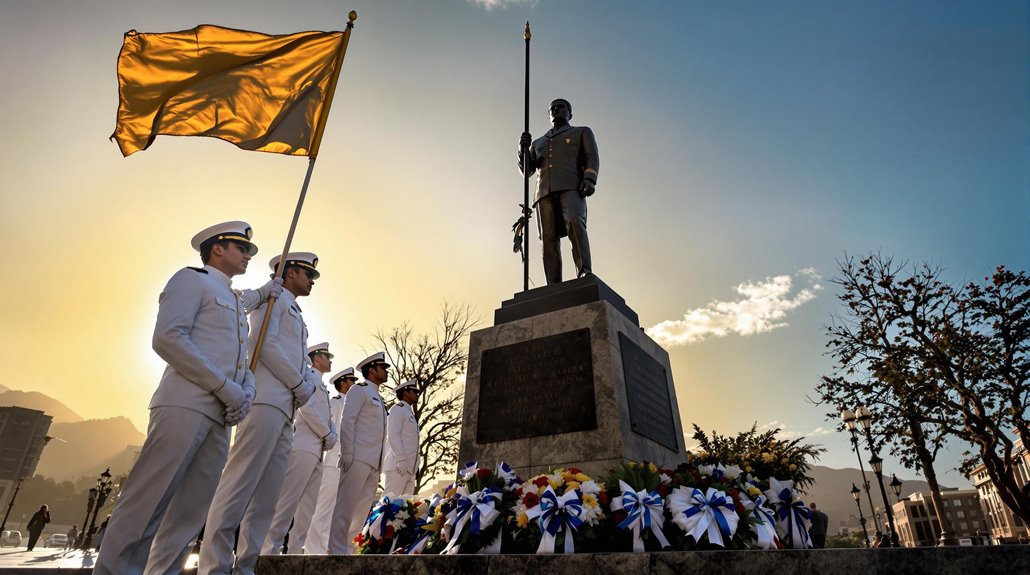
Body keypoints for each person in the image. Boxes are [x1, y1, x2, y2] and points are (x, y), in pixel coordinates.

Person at [95, 221, 279, 575]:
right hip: (185, 404)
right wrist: (225, 387)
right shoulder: (191, 280)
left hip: (221, 415)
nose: (248, 255)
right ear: (218, 249)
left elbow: (241, 360)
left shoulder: (234, 300)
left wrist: (247, 390)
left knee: (189, 516)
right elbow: (168, 338)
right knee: (146, 503)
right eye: (242, 248)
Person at [200, 252, 320, 575]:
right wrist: (298, 383)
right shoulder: (274, 299)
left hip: (285, 412)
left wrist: (307, 380)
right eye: (308, 274)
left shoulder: (295, 310)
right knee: (238, 486)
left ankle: (246, 568)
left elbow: (297, 359)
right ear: (290, 271)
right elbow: (263, 346)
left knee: (265, 500)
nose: (312, 281)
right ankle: (214, 567)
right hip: (266, 402)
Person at [262, 342, 339, 555]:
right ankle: (269, 551)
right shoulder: (309, 379)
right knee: (287, 502)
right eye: (327, 356)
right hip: (304, 447)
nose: (330, 360)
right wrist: (327, 433)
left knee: (308, 508)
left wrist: (331, 434)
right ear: (316, 358)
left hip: (317, 451)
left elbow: (327, 415)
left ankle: (296, 554)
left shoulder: (321, 385)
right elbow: (308, 409)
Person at [518, 98, 600, 284]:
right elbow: (527, 171)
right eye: (552, 108)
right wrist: (522, 148)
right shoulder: (538, 143)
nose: (556, 110)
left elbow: (591, 156)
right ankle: (553, 283)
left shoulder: (581, 132)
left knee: (574, 221)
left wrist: (589, 178)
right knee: (548, 237)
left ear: (570, 113)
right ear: (549, 115)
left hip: (571, 186)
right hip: (543, 192)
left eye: (560, 107)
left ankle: (584, 271)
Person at [327, 352, 390, 554]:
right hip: (357, 458)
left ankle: (349, 549)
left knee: (361, 512)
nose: (386, 371)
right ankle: (336, 550)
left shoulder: (379, 398)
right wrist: (347, 453)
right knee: (345, 506)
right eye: (383, 368)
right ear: (372, 370)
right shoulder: (359, 391)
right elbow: (347, 421)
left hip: (374, 462)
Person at [304, 367, 358, 554]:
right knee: (323, 507)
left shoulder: (350, 403)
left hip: (344, 464)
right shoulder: (335, 403)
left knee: (334, 509)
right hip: (332, 461)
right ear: (343, 383)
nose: (354, 384)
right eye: (351, 381)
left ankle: (324, 547)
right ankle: (312, 549)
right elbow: (330, 428)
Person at [383, 380, 421, 497]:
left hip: (410, 469)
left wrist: (415, 466)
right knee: (388, 504)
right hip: (398, 467)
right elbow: (393, 435)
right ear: (406, 393)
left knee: (403, 509)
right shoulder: (397, 409)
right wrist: (401, 460)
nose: (417, 395)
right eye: (414, 392)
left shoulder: (408, 412)